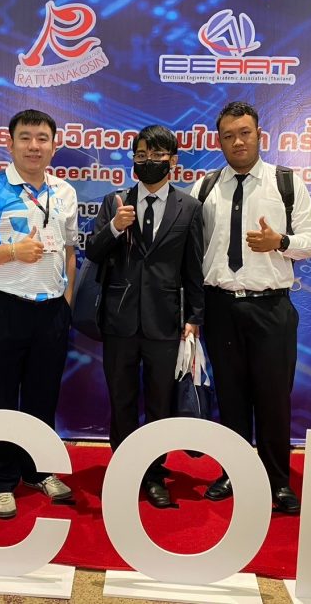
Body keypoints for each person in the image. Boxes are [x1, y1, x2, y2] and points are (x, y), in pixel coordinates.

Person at [190, 102, 311, 514]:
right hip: (220, 307)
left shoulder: (285, 182)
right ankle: (233, 472)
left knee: (273, 398)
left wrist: (280, 242)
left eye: (244, 133)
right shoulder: (205, 187)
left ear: (259, 135)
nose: (237, 141)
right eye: (228, 135)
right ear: (219, 141)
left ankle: (277, 481)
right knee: (230, 396)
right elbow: (192, 251)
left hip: (271, 309)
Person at [0, 109, 78, 519]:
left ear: (54, 146)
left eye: (42, 138)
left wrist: (67, 301)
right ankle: (2, 481)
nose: (34, 146)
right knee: (0, 397)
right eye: (25, 137)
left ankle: (37, 471)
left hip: (52, 311)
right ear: (9, 144)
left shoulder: (64, 192)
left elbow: (69, 251)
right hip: (4, 306)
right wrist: (12, 251)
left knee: (44, 395)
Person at [86, 125, 204, 508]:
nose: (148, 161)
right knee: (121, 400)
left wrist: (194, 318)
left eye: (157, 155)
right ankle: (124, 470)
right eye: (141, 155)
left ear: (173, 161)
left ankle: (153, 474)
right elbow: (93, 252)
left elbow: (194, 269)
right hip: (118, 320)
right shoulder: (115, 201)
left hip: (165, 321)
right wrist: (115, 228)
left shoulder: (190, 207)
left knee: (159, 403)